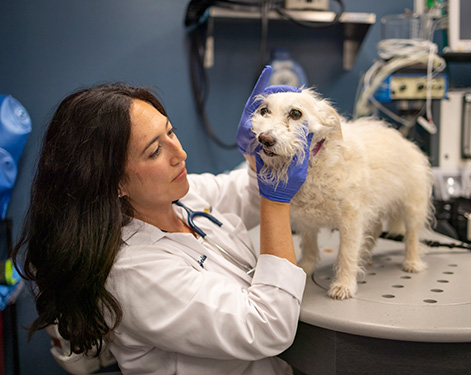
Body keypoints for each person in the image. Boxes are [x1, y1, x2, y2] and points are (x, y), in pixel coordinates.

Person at [12, 66, 313, 374]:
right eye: (155, 150)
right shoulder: (133, 273)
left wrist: (259, 154)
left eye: (170, 131)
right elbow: (268, 326)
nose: (179, 153)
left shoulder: (178, 199)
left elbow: (246, 195)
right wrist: (276, 201)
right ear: (115, 183)